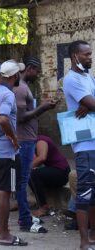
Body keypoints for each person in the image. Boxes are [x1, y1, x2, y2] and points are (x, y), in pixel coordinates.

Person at [0, 60, 28, 246]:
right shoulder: (8, 95)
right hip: (7, 152)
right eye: (18, 73)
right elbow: (3, 119)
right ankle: (4, 234)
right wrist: (13, 137)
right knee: (5, 191)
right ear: (14, 76)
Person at [13, 56, 54, 234]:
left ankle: (25, 216)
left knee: (22, 180)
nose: (38, 74)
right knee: (22, 181)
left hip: (26, 139)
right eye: (36, 71)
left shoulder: (22, 87)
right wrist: (43, 108)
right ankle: (25, 219)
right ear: (29, 68)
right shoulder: (20, 89)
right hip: (25, 140)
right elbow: (21, 118)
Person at [63, 40, 95, 250]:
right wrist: (90, 105)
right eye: (86, 54)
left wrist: (90, 105)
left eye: (90, 54)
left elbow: (91, 103)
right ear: (75, 56)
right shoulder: (72, 79)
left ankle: (92, 237)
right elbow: (92, 104)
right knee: (85, 193)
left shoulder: (87, 77)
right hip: (85, 145)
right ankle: (84, 242)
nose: (90, 57)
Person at [29, 135, 70, 217]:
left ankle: (43, 208)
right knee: (31, 175)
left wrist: (26, 169)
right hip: (55, 171)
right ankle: (22, 202)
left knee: (33, 174)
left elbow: (42, 158)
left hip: (61, 173)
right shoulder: (33, 142)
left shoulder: (41, 140)